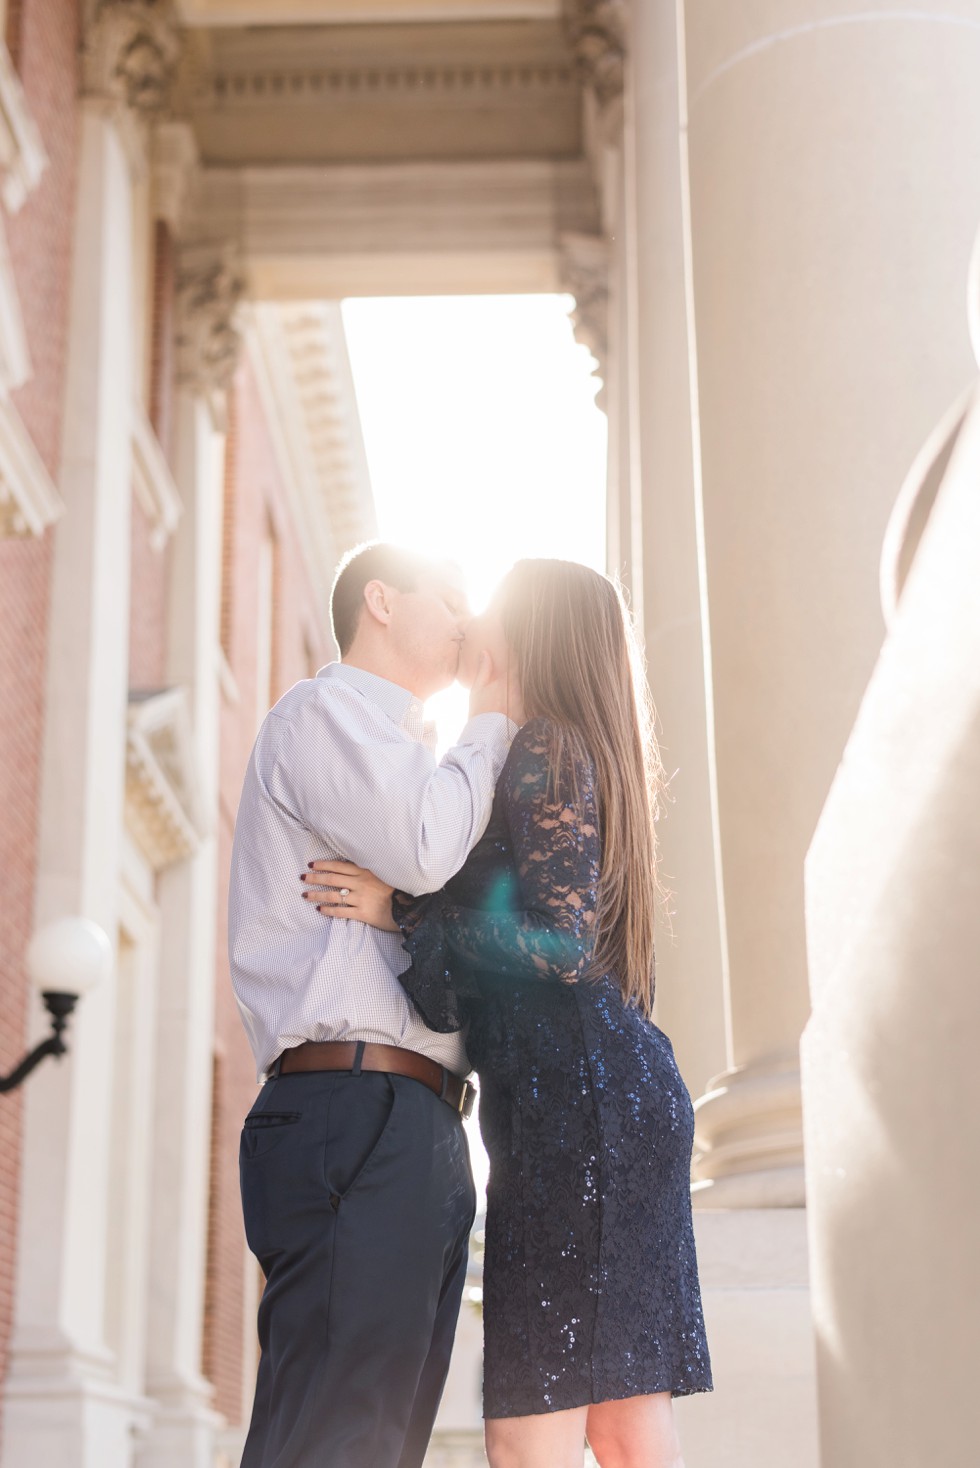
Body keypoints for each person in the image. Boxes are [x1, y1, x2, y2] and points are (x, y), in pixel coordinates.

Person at [302, 558, 713, 1468]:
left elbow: (560, 946)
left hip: (584, 1116)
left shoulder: (546, 747)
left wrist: (403, 908)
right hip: (591, 1105)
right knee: (624, 1425)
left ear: (530, 631)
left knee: (535, 1439)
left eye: (489, 603)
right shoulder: (565, 748)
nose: (472, 616)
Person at [229, 541, 519, 1468]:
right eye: (455, 596)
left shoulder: (412, 763)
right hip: (351, 1108)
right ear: (382, 601)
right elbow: (427, 844)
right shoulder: (328, 714)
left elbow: (439, 898)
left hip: (419, 1123)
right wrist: (498, 715)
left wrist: (404, 911)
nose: (470, 620)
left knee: (376, 1440)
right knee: (337, 1435)